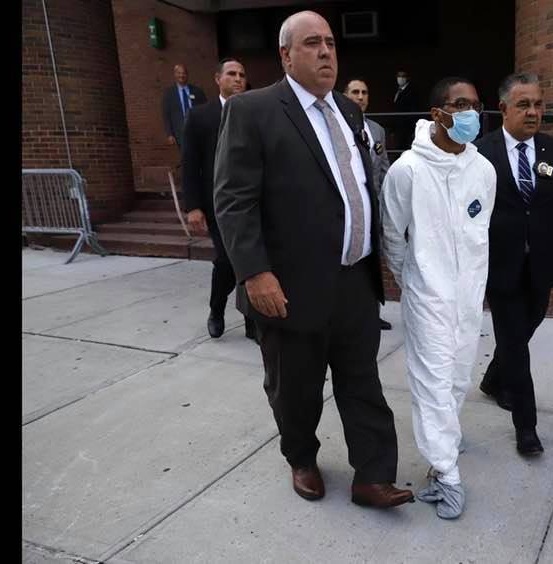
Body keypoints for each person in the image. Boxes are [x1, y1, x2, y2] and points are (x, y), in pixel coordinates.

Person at [213, 10, 413, 509]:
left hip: (354, 280)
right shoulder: (253, 110)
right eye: (311, 43)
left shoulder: (348, 110)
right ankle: (301, 457)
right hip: (288, 285)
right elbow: (234, 200)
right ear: (285, 55)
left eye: (330, 42)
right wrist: (254, 272)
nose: (326, 51)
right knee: (295, 388)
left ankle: (373, 477)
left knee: (362, 383)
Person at [381, 77, 496, 519]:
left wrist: (473, 286)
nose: (471, 113)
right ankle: (446, 472)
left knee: (458, 375)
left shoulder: (482, 170)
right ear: (437, 114)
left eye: (475, 105)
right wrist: (413, 280)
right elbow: (393, 234)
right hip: (427, 294)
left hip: (468, 295)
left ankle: (443, 441)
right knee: (431, 381)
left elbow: (480, 232)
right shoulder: (408, 170)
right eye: (460, 104)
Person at [473, 73, 553, 456]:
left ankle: (493, 378)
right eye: (524, 105)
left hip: (541, 264)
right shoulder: (479, 153)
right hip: (499, 266)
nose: (533, 112)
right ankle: (527, 428)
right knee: (515, 345)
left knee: (527, 326)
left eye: (538, 104)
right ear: (503, 109)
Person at [180, 58, 255, 341]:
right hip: (217, 205)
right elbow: (189, 164)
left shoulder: (254, 113)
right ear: (217, 79)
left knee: (252, 259)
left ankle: (252, 320)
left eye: (242, 74)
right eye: (231, 74)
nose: (238, 79)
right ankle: (217, 309)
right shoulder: (200, 116)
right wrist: (193, 206)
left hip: (251, 202)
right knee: (226, 261)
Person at [342, 77, 392, 331]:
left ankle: (373, 312)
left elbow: (383, 169)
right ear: (345, 96)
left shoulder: (377, 130)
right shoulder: (338, 127)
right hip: (348, 210)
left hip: (374, 209)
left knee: (374, 262)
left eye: (364, 92)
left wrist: (385, 204)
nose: (360, 97)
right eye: (355, 92)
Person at [161, 64, 207, 147]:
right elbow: (166, 115)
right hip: (180, 133)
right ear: (175, 74)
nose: (181, 75)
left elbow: (205, 110)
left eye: (184, 73)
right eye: (179, 73)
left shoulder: (197, 91)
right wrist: (169, 134)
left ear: (187, 75)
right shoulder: (169, 93)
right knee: (185, 153)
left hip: (197, 130)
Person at [392, 70, 421, 149]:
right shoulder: (397, 90)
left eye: (403, 76)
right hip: (398, 125)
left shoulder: (411, 91)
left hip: (407, 126)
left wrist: (413, 127)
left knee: (406, 147)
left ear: (407, 78)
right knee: (399, 146)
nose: (400, 78)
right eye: (399, 76)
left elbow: (413, 109)